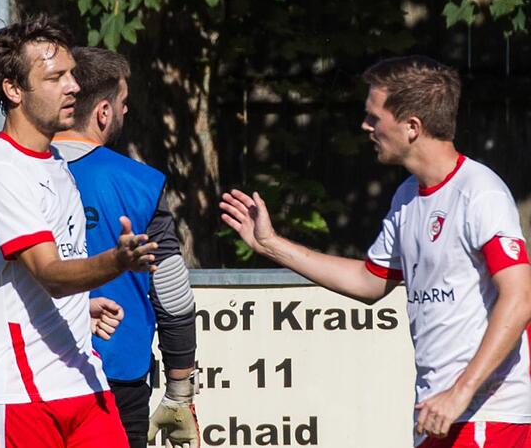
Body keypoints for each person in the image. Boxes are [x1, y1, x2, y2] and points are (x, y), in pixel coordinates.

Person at [220, 55, 531, 447]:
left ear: (412, 127)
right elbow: (369, 281)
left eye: (373, 116)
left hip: (488, 416)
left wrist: (461, 391)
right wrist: (271, 244)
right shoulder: (407, 196)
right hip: (438, 413)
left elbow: (521, 296)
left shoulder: (479, 192)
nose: (365, 126)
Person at [0, 47, 200, 448]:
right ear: (104, 112)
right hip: (84, 375)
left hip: (83, 379)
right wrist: (180, 391)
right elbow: (172, 293)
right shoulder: (137, 182)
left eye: (71, 77)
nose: (126, 111)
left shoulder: (53, 167)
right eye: (123, 103)